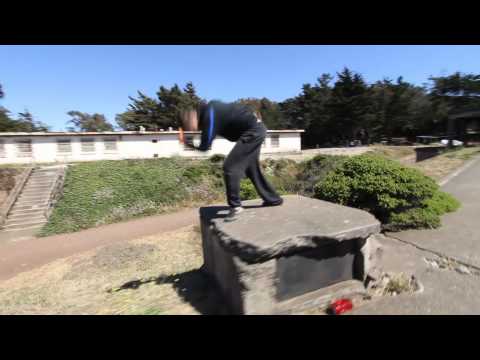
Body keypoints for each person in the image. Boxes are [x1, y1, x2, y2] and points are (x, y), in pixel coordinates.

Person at [181, 100, 283, 217]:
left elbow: (205, 146)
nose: (190, 129)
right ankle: (273, 199)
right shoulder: (211, 111)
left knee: (230, 167)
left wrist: (187, 144)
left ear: (192, 116)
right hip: (256, 129)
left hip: (253, 131)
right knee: (252, 169)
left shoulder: (210, 115)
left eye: (187, 125)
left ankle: (235, 207)